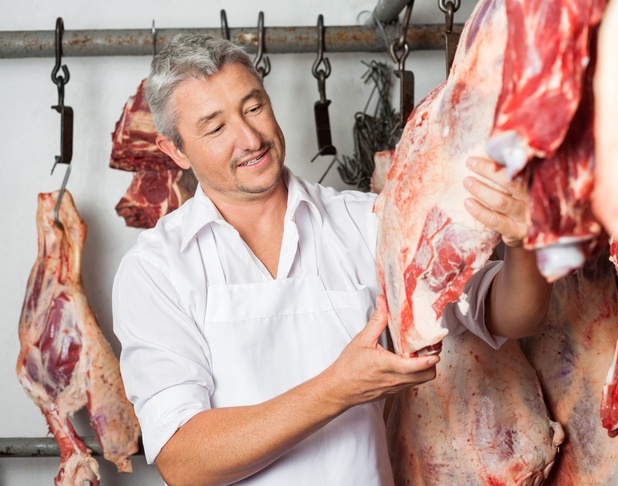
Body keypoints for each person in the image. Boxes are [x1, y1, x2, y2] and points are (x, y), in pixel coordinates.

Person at [112, 34, 552, 486]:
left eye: (253, 107)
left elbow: (511, 315)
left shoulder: (365, 223)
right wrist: (337, 389)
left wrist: (523, 240)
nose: (249, 138)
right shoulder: (157, 269)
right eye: (216, 127)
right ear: (176, 151)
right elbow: (183, 460)